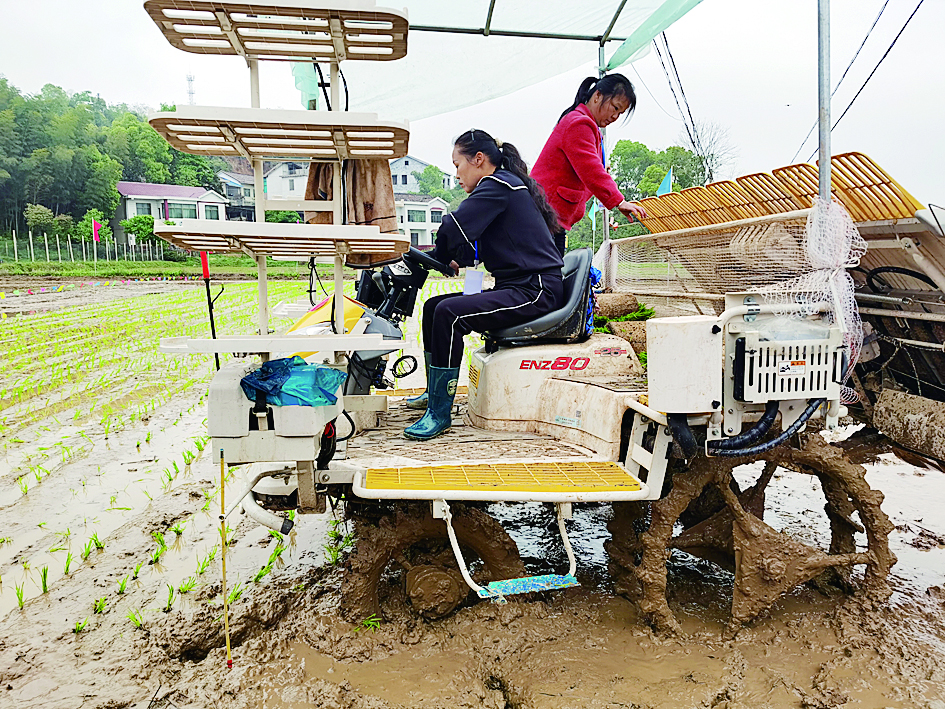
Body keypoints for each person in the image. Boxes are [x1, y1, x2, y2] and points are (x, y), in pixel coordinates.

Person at [403, 129, 564, 441]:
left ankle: (439, 412)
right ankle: (433, 393)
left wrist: (445, 254)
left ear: (478, 160)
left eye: (457, 165)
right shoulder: (502, 186)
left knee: (450, 313)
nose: (457, 174)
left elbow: (454, 226)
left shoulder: (497, 185)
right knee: (434, 306)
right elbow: (470, 244)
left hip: (535, 290)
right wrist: (445, 257)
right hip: (519, 285)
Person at [532, 73, 648, 255]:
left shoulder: (586, 125)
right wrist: (619, 201)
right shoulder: (579, 124)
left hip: (549, 217)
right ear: (597, 96)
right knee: (546, 277)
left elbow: (590, 171)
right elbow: (591, 170)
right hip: (543, 215)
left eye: (620, 113)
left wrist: (602, 175)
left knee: (549, 274)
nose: (615, 116)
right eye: (615, 107)